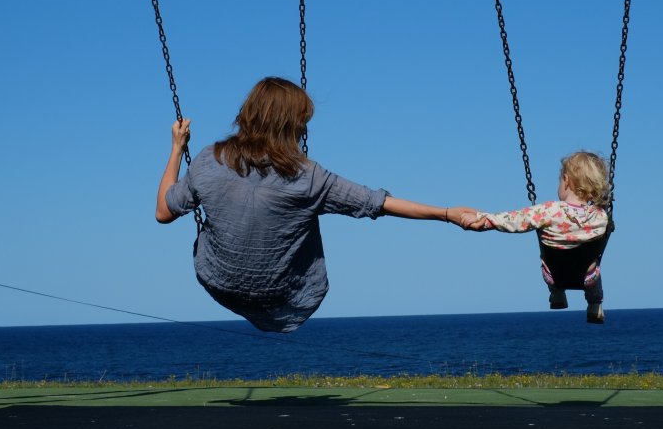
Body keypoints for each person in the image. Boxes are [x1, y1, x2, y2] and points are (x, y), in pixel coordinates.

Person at [156, 76, 479, 333]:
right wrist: (447, 214)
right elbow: (376, 203)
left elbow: (164, 212)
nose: (305, 127)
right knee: (306, 214)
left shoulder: (209, 160)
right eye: (302, 121)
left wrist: (176, 148)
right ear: (290, 125)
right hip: (283, 292)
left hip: (219, 280)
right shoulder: (308, 177)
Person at [465, 151, 611, 323]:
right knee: (594, 272)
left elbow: (513, 220)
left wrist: (484, 219)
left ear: (566, 180)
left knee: (552, 262)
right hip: (588, 277)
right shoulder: (600, 216)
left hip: (553, 276)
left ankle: (557, 295)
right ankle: (594, 305)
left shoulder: (547, 211)